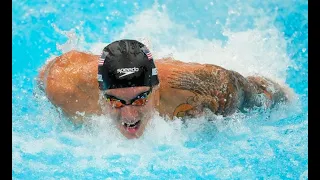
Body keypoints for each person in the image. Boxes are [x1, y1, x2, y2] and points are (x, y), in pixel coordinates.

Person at [37, 39, 291, 139]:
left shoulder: (198, 88)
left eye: (140, 99)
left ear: (156, 89)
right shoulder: (65, 87)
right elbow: (46, 73)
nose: (129, 116)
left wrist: (281, 97)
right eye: (115, 101)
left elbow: (257, 93)